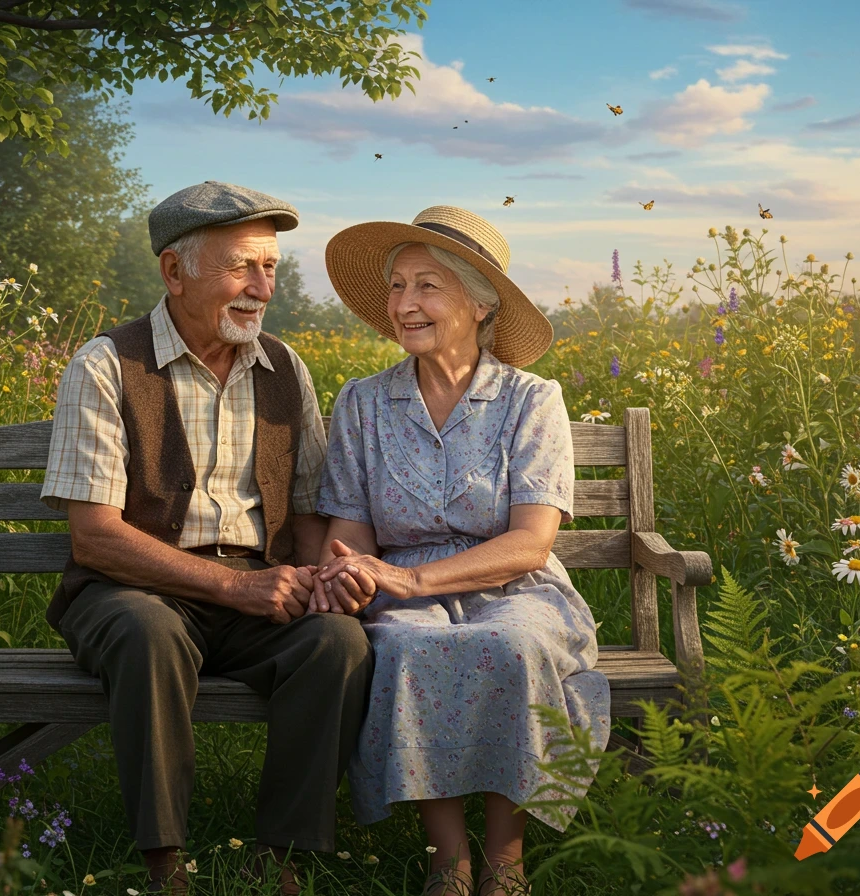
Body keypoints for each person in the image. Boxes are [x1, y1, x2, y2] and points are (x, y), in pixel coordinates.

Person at [39, 181, 374, 895]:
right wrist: (231, 586)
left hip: (258, 591)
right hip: (133, 590)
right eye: (241, 267)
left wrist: (318, 579)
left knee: (338, 643)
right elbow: (95, 538)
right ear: (174, 271)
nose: (262, 288)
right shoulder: (106, 364)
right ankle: (165, 863)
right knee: (148, 633)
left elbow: (308, 510)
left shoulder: (284, 367)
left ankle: (279, 858)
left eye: (270, 267)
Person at [310, 206, 612, 896]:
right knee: (407, 646)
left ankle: (506, 859)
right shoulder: (363, 403)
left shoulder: (531, 399)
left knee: (514, 645)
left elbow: (530, 542)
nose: (404, 304)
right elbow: (350, 532)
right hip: (400, 587)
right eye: (396, 286)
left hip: (513, 584)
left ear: (481, 304)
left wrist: (412, 582)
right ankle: (448, 860)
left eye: (427, 286)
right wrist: (353, 571)